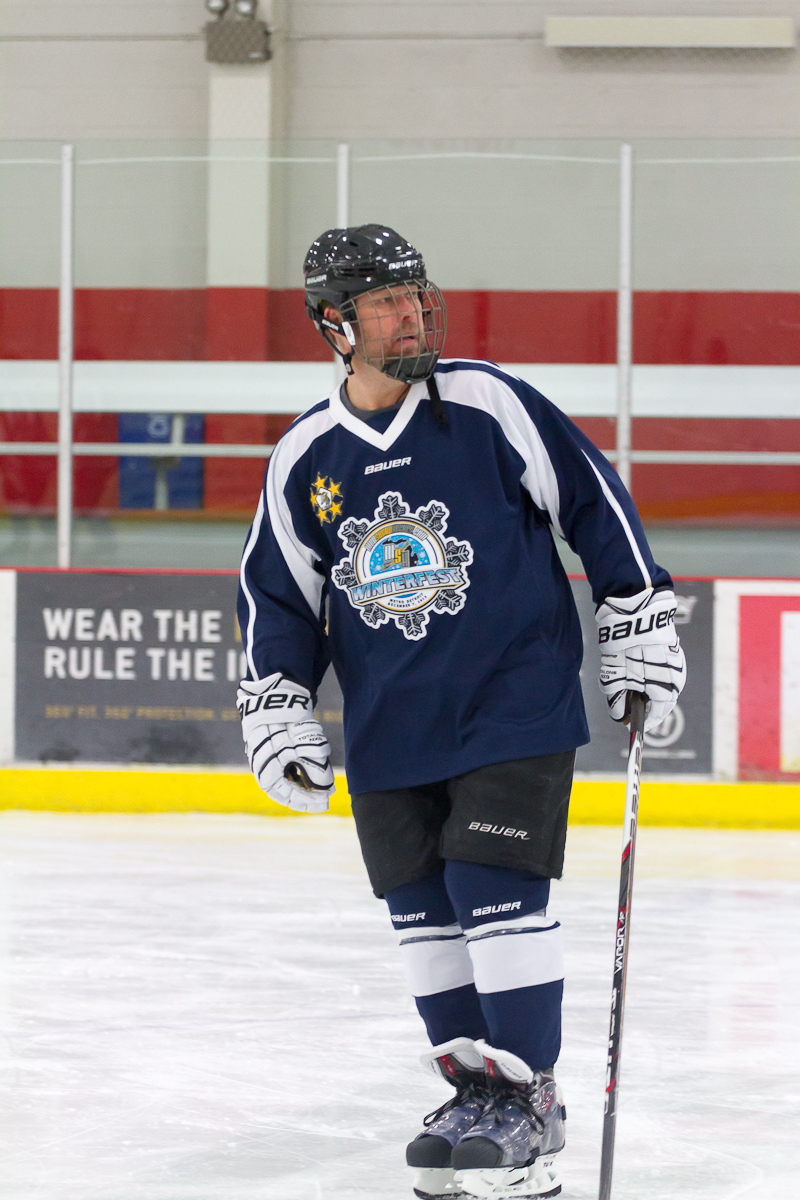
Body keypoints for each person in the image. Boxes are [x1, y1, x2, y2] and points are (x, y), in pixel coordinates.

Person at [236, 225, 686, 1200]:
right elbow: (279, 593)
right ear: (334, 323)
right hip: (391, 725)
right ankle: (474, 1093)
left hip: (512, 702)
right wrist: (277, 697)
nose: (412, 314)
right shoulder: (305, 455)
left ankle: (528, 1097)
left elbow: (592, 500)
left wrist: (634, 610)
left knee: (492, 885)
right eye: (385, 302)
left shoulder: (485, 402)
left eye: (415, 295)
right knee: (423, 914)